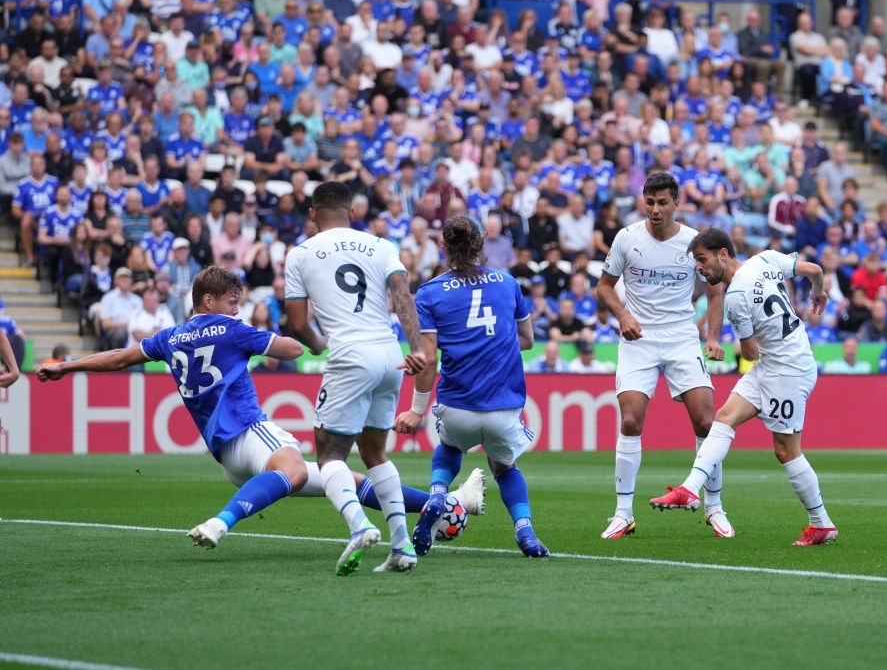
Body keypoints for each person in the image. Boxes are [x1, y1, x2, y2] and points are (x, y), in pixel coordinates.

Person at [37, 266, 480, 563]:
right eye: (232, 301)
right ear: (208, 299)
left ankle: (450, 505)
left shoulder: (169, 337)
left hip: (227, 455)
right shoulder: (231, 327)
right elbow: (290, 348)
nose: (236, 308)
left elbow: (117, 358)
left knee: (338, 477)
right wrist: (271, 341)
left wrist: (66, 366)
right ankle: (222, 523)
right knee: (299, 466)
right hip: (249, 431)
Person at [652, 227, 839, 546]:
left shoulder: (735, 298)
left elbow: (749, 353)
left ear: (722, 254)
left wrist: (732, 339)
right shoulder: (765, 258)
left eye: (702, 259)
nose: (699, 268)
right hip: (779, 361)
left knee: (786, 451)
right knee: (724, 418)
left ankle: (821, 523)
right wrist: (817, 291)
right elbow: (815, 270)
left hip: (787, 369)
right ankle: (689, 490)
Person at [285, 182, 427, 575]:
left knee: (329, 455)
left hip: (349, 353)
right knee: (375, 453)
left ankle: (359, 525)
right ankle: (402, 547)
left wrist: (317, 344)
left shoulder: (300, 254)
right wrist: (416, 349)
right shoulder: (381, 245)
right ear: (351, 212)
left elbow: (297, 323)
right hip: (388, 354)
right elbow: (403, 295)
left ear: (313, 212)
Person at [395, 215, 549, 559]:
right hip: (504, 405)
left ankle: (437, 493)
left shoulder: (431, 292)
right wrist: (494, 342)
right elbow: (527, 340)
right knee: (505, 467)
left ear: (444, 248)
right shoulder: (508, 282)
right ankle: (525, 530)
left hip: (458, 405)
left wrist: (417, 409)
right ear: (481, 245)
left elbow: (428, 357)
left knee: (450, 447)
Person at [596, 173, 729, 541]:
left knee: (706, 421)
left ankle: (714, 507)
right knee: (631, 421)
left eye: (662, 203)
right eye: (649, 202)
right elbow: (603, 287)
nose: (655, 210)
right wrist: (622, 315)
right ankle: (623, 514)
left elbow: (715, 292)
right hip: (639, 340)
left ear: (676, 204)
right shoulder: (627, 239)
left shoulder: (691, 243)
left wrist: (714, 336)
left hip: (682, 338)